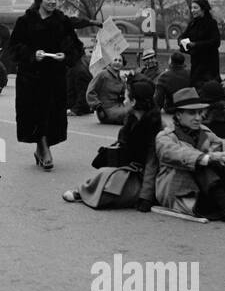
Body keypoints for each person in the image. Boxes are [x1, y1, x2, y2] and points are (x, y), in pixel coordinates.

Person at [9, 0, 98, 171]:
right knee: (35, 115)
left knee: (50, 115)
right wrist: (33, 55)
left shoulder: (61, 21)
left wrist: (65, 56)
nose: (53, 2)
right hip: (30, 78)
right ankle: (44, 150)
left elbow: (76, 46)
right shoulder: (25, 21)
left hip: (54, 77)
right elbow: (15, 47)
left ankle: (42, 149)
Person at [152, 88, 225, 224]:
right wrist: (210, 157)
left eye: (199, 112)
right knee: (204, 163)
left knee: (219, 161)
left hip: (204, 190)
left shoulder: (204, 131)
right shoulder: (165, 137)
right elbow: (181, 154)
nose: (198, 117)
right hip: (180, 192)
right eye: (192, 113)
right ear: (179, 115)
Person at [63, 76, 161, 209]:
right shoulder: (132, 118)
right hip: (129, 169)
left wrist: (145, 197)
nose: (124, 100)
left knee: (112, 188)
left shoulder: (155, 126)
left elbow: (152, 163)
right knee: (105, 173)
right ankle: (82, 192)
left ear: (134, 102)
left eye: (126, 97)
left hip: (144, 178)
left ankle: (85, 194)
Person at [180, 0, 221, 87]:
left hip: (209, 64)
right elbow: (183, 36)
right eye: (192, 8)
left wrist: (195, 45)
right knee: (195, 86)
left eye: (195, 8)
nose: (192, 10)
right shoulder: (192, 23)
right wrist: (181, 42)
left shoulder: (211, 23)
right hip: (196, 62)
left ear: (203, 9)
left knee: (209, 88)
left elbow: (216, 42)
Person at [86, 52, 129, 125]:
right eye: (115, 60)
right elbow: (90, 92)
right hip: (105, 110)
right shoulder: (102, 74)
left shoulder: (121, 79)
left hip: (118, 107)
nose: (117, 62)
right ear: (110, 62)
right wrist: (98, 106)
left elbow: (126, 95)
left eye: (120, 61)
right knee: (129, 117)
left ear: (122, 64)